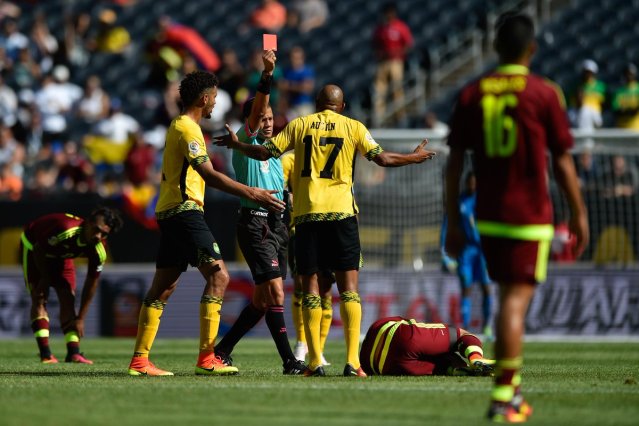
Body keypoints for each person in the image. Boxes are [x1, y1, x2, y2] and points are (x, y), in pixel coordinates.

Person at [216, 83, 436, 377]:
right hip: (343, 215)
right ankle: (352, 362)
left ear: (317, 104)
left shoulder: (300, 125)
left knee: (310, 289)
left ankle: (315, 361)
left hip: (307, 217)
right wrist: (412, 157)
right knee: (349, 291)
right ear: (342, 106)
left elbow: (264, 153)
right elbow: (382, 159)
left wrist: (238, 145)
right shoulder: (354, 127)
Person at [446, 13, 588, 423]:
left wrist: (454, 219)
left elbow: (454, 163)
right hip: (528, 214)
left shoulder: (472, 93)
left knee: (508, 297)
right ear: (532, 49)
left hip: (487, 214)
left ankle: (511, 393)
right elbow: (562, 161)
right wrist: (578, 212)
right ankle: (504, 396)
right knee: (514, 301)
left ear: (495, 48)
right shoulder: (545, 93)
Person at [126, 70, 286, 377]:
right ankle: (207, 357)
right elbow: (209, 174)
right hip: (185, 211)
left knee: (164, 286)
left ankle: (139, 360)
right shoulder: (188, 129)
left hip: (171, 211)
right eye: (213, 97)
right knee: (219, 276)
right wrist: (251, 192)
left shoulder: (182, 126)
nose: (215, 102)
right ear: (204, 98)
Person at [211, 50, 306, 375]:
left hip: (278, 226)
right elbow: (260, 103)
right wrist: (268, 74)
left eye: (269, 118)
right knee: (277, 292)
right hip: (255, 225)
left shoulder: (276, 152)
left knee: (264, 299)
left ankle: (222, 350)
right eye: (261, 118)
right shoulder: (247, 143)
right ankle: (289, 361)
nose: (268, 122)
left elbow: (282, 189)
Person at [20, 207, 123, 364]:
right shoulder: (65, 230)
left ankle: (74, 353)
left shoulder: (99, 250)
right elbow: (39, 250)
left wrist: (81, 317)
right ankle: (46, 354)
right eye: (96, 230)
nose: (98, 236)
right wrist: (45, 280)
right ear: (88, 222)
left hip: (60, 255)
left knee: (68, 297)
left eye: (104, 234)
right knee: (40, 296)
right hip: (34, 246)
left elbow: (92, 282)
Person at [281, 150, 333, 365]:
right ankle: (302, 343)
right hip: (300, 228)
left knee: (326, 288)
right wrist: (287, 194)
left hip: (331, 226)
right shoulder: (289, 159)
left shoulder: (330, 154)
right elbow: (277, 185)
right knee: (303, 285)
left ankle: (319, 349)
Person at [360, 316, 494, 376]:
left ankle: (460, 369)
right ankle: (476, 358)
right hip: (400, 335)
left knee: (444, 366)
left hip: (375, 364)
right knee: (460, 335)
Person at [453, 171, 493, 337]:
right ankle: (466, 327)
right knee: (466, 289)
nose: (472, 185)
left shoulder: (484, 200)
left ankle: (487, 326)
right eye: (470, 182)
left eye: (475, 183)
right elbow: (450, 224)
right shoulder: (460, 201)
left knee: (487, 288)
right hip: (467, 251)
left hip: (483, 251)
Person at [371, 2, 413, 127]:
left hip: (396, 61)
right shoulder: (380, 29)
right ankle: (379, 116)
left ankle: (399, 116)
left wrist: (398, 53)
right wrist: (378, 53)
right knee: (379, 90)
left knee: (397, 88)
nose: (388, 15)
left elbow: (408, 44)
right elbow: (374, 44)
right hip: (383, 62)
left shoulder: (400, 27)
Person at [612, 63, 639, 130]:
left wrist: (625, 110)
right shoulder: (619, 91)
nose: (629, 76)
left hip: (635, 127)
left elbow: (635, 111)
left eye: (630, 73)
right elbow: (615, 109)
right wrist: (629, 111)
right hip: (621, 128)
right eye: (627, 73)